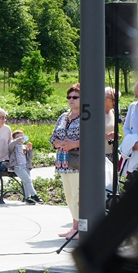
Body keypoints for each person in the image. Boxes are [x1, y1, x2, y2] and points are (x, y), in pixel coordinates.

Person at [51, 83, 81, 239]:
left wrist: (73, 144)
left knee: (77, 195)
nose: (71, 99)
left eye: (75, 97)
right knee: (69, 197)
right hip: (63, 162)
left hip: (77, 163)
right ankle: (74, 226)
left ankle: (79, 228)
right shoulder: (63, 116)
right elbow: (53, 137)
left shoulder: (85, 117)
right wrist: (59, 143)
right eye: (69, 97)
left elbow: (92, 138)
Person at [4, 130, 41, 204]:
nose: (21, 139)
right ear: (14, 139)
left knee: (26, 181)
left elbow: (29, 157)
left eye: (22, 137)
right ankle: (34, 195)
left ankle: (27, 197)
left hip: (26, 167)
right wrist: (18, 139)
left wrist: (30, 149)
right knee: (28, 180)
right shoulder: (14, 147)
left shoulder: (24, 147)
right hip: (18, 167)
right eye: (18, 137)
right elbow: (10, 145)